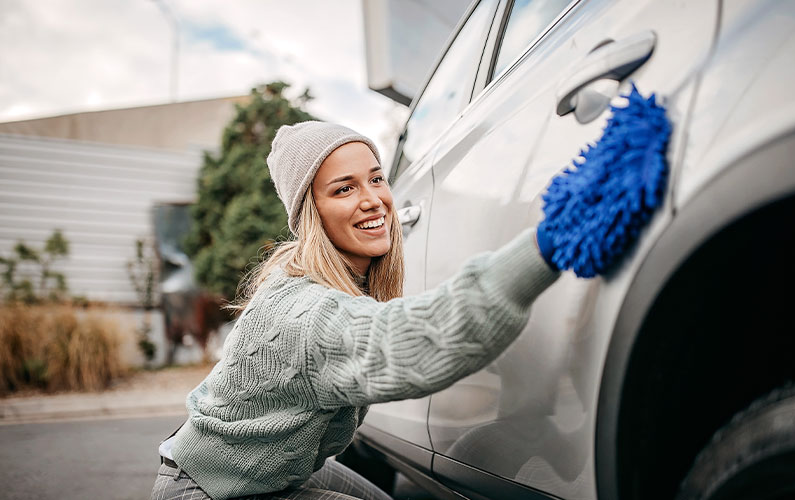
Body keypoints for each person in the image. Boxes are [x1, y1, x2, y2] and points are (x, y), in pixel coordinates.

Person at [150, 121, 561, 500]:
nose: (373, 201)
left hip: (257, 474)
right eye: (344, 189)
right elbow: (417, 344)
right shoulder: (304, 312)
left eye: (376, 179)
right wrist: (547, 242)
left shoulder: (327, 289)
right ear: (312, 213)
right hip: (208, 491)